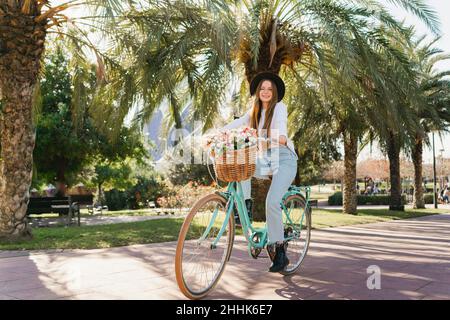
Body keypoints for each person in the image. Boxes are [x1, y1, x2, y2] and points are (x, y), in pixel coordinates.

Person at [220, 72, 298, 273]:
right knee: (240, 167)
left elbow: (281, 131)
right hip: (264, 158)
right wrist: (217, 133)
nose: (265, 92)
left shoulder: (279, 108)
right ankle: (244, 207)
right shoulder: (253, 111)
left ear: (274, 93)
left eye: (269, 89)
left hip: (284, 158)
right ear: (257, 92)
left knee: (272, 201)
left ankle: (280, 252)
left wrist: (273, 137)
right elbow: (236, 124)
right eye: (262, 88)